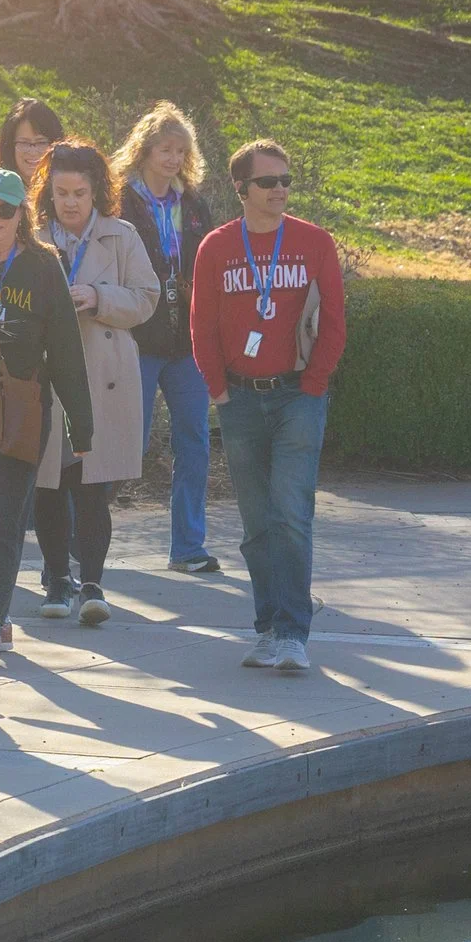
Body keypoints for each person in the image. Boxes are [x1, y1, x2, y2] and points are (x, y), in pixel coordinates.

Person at [192, 138, 345, 675]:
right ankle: (266, 629)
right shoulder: (216, 247)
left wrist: (314, 384)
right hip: (239, 397)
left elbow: (333, 323)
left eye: (285, 181)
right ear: (241, 189)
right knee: (257, 522)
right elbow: (202, 324)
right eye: (267, 182)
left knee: (290, 514)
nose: (279, 190)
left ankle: (292, 631)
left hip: (298, 396)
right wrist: (218, 389)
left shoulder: (314, 243)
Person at [0, 169, 92, 665]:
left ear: (22, 214)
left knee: (3, 518)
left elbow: (67, 349)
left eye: (5, 210)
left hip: (22, 405)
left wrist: (80, 423)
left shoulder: (44, 267)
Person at [29, 141, 159, 626]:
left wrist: (98, 296)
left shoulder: (122, 236)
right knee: (48, 482)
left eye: (79, 192)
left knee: (92, 484)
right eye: (61, 192)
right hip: (48, 374)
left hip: (102, 373)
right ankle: (57, 579)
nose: (70, 202)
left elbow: (147, 299)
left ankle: (92, 583)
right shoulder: (36, 236)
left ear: (96, 191)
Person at [113, 102, 221, 574]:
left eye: (181, 150)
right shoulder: (120, 200)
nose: (173, 158)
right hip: (137, 336)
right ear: (144, 149)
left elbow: (212, 261)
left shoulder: (194, 204)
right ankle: (83, 544)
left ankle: (188, 548)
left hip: (187, 342)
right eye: (164, 148)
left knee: (195, 441)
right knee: (126, 445)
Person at [0, 96, 66, 189]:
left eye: (41, 143)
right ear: (9, 146)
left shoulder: (68, 191)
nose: (32, 152)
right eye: (24, 143)